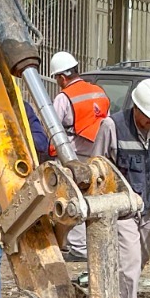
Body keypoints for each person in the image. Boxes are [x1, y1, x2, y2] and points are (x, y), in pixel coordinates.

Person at [93, 77, 150, 298]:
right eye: (148, 116)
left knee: (141, 257)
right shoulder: (112, 127)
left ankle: (113, 293)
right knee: (130, 261)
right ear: (136, 108)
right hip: (123, 209)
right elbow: (97, 169)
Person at [49, 52, 111, 261]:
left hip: (72, 157)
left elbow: (54, 128)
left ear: (62, 77)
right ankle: (91, 244)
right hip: (97, 156)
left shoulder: (63, 98)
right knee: (92, 198)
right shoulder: (99, 92)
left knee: (73, 200)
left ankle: (78, 248)